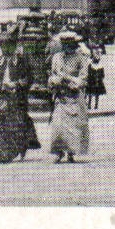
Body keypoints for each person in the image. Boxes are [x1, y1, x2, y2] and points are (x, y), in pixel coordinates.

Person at [0, 33, 40, 164]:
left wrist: (17, 85)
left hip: (17, 97)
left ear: (14, 47)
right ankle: (1, 152)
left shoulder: (21, 61)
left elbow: (30, 77)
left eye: (9, 47)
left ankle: (20, 147)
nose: (6, 50)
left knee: (17, 123)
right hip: (3, 96)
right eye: (3, 47)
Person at [47, 30, 91, 162]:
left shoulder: (81, 58)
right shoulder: (57, 57)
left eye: (69, 44)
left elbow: (83, 79)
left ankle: (71, 152)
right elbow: (53, 74)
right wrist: (54, 81)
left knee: (74, 126)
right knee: (58, 125)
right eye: (64, 44)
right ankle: (59, 152)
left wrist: (68, 79)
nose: (66, 47)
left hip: (74, 97)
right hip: (61, 96)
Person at [84, 43, 107, 110]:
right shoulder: (90, 65)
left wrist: (100, 78)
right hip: (91, 80)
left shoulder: (100, 65)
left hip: (97, 80)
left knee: (96, 93)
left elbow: (102, 74)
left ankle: (95, 105)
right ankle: (89, 104)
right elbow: (88, 73)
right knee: (90, 93)